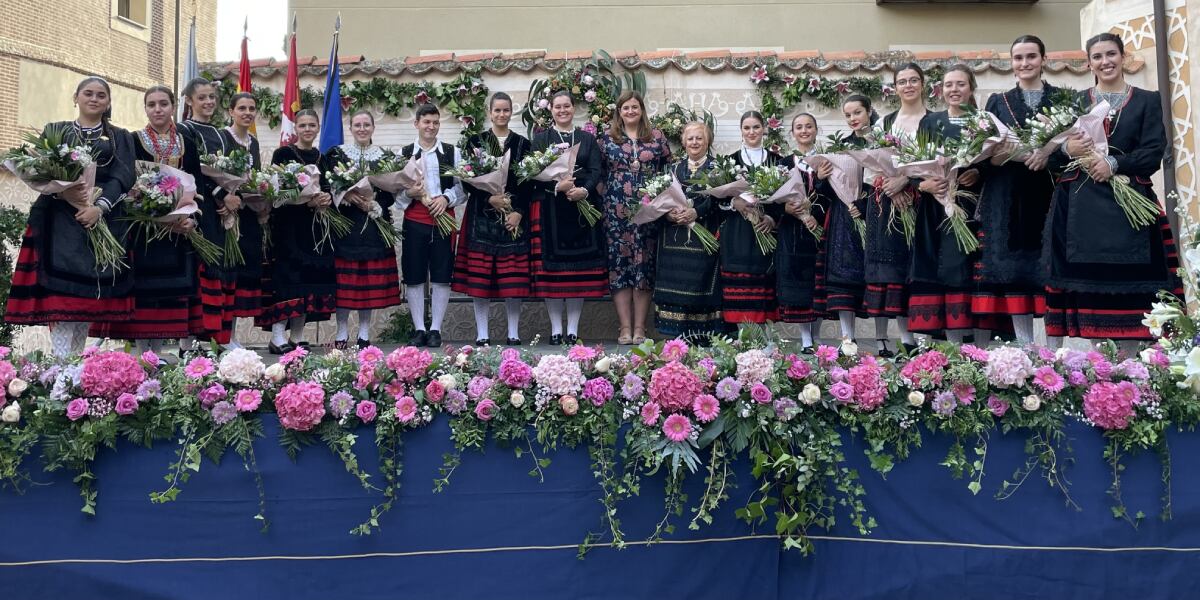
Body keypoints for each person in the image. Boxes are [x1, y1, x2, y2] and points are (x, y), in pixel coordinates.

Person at [1047, 33, 1181, 346]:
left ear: (1122, 57)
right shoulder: (1075, 102)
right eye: (1097, 57)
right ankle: (1100, 366)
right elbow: (1052, 155)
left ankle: (1135, 361)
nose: (1105, 62)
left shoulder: (1147, 100)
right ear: (1089, 63)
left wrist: (1113, 164)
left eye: (1111, 54)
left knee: (1135, 288)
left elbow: (1152, 151)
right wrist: (1069, 148)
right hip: (1082, 211)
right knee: (1091, 287)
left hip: (1130, 205)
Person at [6, 76, 135, 359]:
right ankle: (63, 367)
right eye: (88, 93)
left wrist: (97, 207)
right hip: (58, 220)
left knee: (85, 301)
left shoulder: (120, 137)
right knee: (62, 299)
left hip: (100, 219)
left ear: (108, 102)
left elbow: (123, 176)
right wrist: (69, 195)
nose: (94, 98)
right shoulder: (56, 130)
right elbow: (42, 169)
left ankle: (73, 368)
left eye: (101, 95)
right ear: (75, 97)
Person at [90, 86, 199, 352]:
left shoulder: (188, 143)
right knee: (143, 292)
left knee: (168, 293)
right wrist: (143, 206)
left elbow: (198, 184)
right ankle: (142, 353)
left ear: (173, 106)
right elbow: (127, 179)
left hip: (176, 230)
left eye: (163, 103)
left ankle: (159, 353)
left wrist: (190, 217)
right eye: (151, 104)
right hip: (142, 228)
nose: (158, 109)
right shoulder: (133, 140)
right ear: (146, 108)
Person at [972, 35, 1060, 345]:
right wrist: (1000, 155)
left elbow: (1076, 148)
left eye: (1031, 57)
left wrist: (1048, 154)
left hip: (1049, 192)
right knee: (1014, 273)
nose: (1025, 63)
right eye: (1018, 58)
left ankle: (1053, 349)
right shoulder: (999, 101)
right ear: (1011, 64)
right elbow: (983, 152)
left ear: (1043, 60)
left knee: (1051, 269)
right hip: (1008, 195)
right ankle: (1025, 346)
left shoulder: (1062, 99)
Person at [909, 65, 985, 343]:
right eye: (949, 85)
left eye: (960, 84)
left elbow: (993, 162)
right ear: (941, 90)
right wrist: (924, 185)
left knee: (968, 270)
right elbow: (915, 164)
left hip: (970, 204)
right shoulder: (930, 122)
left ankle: (978, 345)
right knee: (942, 268)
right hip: (935, 207)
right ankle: (951, 347)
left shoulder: (983, 120)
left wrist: (979, 172)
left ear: (971, 88)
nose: (954, 90)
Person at [451, 92, 531, 346]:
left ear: (511, 112)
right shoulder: (475, 141)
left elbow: (528, 182)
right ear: (489, 113)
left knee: (513, 280)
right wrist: (489, 199)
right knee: (480, 279)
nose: (501, 114)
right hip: (481, 217)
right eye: (497, 110)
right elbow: (466, 179)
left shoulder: (522, 143)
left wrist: (518, 211)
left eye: (506, 110)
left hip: (512, 217)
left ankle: (513, 333)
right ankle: (482, 333)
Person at [529, 90, 607, 345]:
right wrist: (556, 187)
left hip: (581, 207)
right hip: (551, 210)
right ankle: (555, 329)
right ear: (550, 110)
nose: (562, 110)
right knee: (553, 276)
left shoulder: (587, 138)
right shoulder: (541, 139)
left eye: (567, 106)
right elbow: (531, 175)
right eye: (557, 107)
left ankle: (572, 329)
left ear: (574, 109)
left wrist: (583, 190)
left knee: (577, 275)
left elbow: (596, 169)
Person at [320, 110, 402, 349]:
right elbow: (327, 183)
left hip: (375, 226)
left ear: (373, 128)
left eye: (366, 124)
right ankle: (342, 331)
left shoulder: (385, 156)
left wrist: (376, 203)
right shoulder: (336, 154)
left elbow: (392, 189)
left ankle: (365, 333)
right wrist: (347, 195)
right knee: (345, 283)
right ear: (351, 127)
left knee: (367, 284)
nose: (362, 128)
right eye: (357, 125)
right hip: (346, 225)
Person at [259, 109, 336, 353]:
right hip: (288, 226)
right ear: (296, 128)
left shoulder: (323, 157)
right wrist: (305, 200)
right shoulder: (283, 154)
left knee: (309, 280)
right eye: (302, 125)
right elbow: (275, 191)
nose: (307, 129)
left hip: (314, 229)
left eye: (311, 125)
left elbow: (330, 187)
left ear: (317, 128)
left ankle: (298, 336)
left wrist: (326, 198)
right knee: (287, 281)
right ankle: (278, 336)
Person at [598, 91, 672, 344]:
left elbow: (667, 171)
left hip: (648, 212)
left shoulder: (657, 138)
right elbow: (598, 174)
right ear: (619, 112)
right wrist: (608, 198)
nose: (630, 111)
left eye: (634, 107)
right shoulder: (607, 139)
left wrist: (659, 201)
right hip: (615, 213)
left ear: (642, 109)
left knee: (644, 265)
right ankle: (624, 327)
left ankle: (640, 327)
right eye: (625, 108)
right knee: (619, 266)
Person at [398, 104, 465, 349]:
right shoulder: (405, 153)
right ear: (416, 123)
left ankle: (435, 328)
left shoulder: (451, 152)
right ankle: (419, 328)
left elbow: (462, 186)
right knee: (414, 275)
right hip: (415, 218)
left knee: (441, 274)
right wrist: (410, 193)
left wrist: (446, 199)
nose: (431, 126)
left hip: (443, 218)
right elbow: (397, 196)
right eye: (426, 122)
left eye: (435, 122)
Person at [868, 66, 925, 355]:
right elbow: (873, 166)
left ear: (923, 84)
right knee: (894, 269)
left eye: (913, 80)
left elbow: (938, 160)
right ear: (895, 88)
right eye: (902, 81)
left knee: (917, 266)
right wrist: (893, 185)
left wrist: (907, 180)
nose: (908, 85)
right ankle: (904, 337)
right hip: (890, 203)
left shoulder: (933, 121)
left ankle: (922, 331)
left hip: (924, 201)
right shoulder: (884, 124)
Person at [178, 77, 236, 347]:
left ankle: (216, 337)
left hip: (222, 212)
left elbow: (231, 170)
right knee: (198, 267)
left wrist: (233, 195)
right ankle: (187, 340)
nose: (208, 102)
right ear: (189, 101)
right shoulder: (184, 130)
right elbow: (191, 171)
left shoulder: (223, 134)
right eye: (202, 97)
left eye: (212, 97)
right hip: (198, 206)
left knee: (219, 266)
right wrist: (220, 194)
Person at [653, 121, 723, 342]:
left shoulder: (717, 169)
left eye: (699, 138)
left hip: (704, 236)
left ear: (707, 141)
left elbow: (719, 200)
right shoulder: (672, 170)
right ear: (683, 142)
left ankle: (703, 335)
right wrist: (668, 214)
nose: (695, 142)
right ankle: (675, 336)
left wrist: (696, 212)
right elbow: (660, 199)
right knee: (676, 283)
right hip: (674, 238)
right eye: (690, 138)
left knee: (700, 284)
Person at [812, 96, 871, 344]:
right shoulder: (840, 147)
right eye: (848, 115)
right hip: (843, 217)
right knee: (843, 280)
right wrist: (821, 178)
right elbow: (826, 194)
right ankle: (848, 338)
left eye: (857, 112)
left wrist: (863, 205)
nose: (853, 118)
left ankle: (882, 338)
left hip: (872, 216)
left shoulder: (881, 142)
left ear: (869, 111)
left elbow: (883, 180)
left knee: (877, 277)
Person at [721, 110, 782, 327]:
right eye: (747, 128)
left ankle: (765, 341)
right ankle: (742, 338)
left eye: (756, 127)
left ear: (764, 128)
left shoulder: (778, 161)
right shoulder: (729, 162)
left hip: (765, 230)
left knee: (764, 284)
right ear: (741, 131)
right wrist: (733, 203)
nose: (752, 132)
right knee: (740, 287)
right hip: (739, 231)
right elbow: (717, 201)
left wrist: (773, 219)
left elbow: (784, 201)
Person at [217, 92, 265, 349]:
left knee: (239, 273)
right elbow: (214, 173)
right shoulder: (223, 137)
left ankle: (231, 335)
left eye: (252, 108)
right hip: (224, 212)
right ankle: (218, 335)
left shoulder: (253, 142)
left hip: (246, 214)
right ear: (231, 111)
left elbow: (253, 177)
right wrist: (226, 197)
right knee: (224, 273)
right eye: (242, 108)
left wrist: (263, 197)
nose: (247, 113)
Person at [778, 113, 827, 352]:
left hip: (819, 228)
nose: (804, 131)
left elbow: (834, 193)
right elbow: (772, 198)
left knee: (817, 284)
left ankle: (816, 337)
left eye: (809, 126)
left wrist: (816, 214)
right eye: (799, 127)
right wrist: (786, 208)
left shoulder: (826, 161)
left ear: (816, 130)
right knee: (799, 285)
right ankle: (806, 338)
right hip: (793, 231)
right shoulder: (784, 163)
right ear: (793, 133)